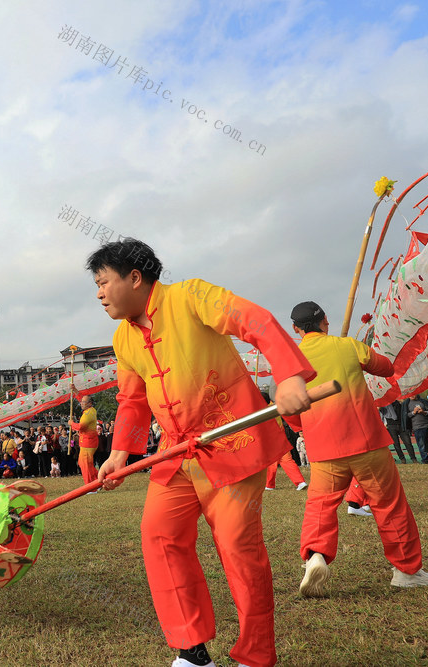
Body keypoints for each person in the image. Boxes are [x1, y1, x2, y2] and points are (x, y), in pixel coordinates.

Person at [93, 238, 315, 667]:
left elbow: (257, 321)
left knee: (237, 547)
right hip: (175, 454)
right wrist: (121, 451)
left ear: (134, 278)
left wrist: (289, 376)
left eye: (104, 282)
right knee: (159, 536)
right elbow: (133, 400)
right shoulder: (123, 338)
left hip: (233, 442)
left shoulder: (189, 295)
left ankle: (256, 654)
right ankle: (192, 652)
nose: (99, 294)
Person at [283, 301, 428, 596]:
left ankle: (315, 555)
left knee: (320, 506)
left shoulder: (289, 361)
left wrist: (308, 426)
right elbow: (387, 367)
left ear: (296, 330)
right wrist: (355, 354)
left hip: (323, 448)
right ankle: (406, 570)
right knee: (388, 504)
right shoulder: (348, 345)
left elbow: (290, 413)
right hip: (365, 441)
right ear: (325, 321)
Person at [70, 395, 99, 484]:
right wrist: (75, 390)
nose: (81, 403)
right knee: (83, 463)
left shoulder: (88, 414)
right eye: (81, 401)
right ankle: (100, 479)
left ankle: (91, 486)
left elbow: (81, 427)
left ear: (89, 404)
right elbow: (82, 399)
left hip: (88, 442)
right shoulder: (90, 410)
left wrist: (71, 423)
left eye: (83, 402)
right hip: (87, 442)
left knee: (85, 464)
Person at [408, 395, 428, 463]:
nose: (412, 395)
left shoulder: (423, 401)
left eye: (413, 393)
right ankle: (425, 460)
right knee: (421, 445)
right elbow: (406, 415)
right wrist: (414, 412)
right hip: (417, 427)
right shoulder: (407, 404)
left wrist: (423, 412)